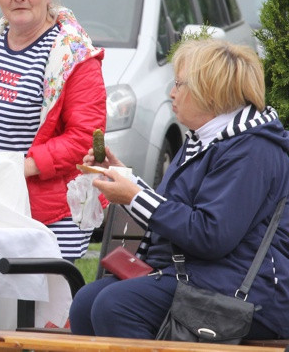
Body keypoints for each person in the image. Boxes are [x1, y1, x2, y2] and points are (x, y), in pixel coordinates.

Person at [70, 39, 289, 340]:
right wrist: (122, 177)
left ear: (210, 92)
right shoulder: (206, 141)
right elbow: (177, 210)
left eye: (179, 84)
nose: (171, 93)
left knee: (115, 306)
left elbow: (210, 235)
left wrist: (134, 196)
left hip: (247, 293)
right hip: (197, 277)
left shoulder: (253, 150)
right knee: (86, 302)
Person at [0, 0, 106, 260]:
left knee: (44, 307)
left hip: (51, 211)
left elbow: (85, 137)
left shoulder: (75, 55)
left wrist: (20, 168)